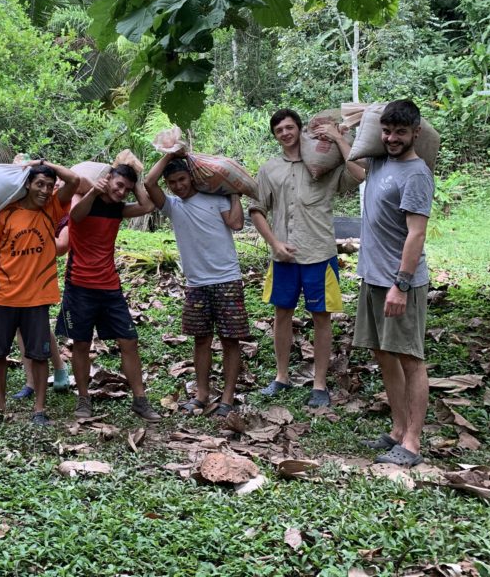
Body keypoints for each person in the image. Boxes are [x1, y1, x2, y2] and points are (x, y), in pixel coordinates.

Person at [249, 109, 365, 407]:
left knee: (321, 318)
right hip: (284, 257)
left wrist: (338, 138)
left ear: (300, 130)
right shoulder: (270, 169)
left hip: (319, 253)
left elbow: (359, 174)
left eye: (290, 127)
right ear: (275, 136)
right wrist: (274, 243)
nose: (285, 133)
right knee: (282, 315)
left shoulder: (324, 163)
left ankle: (319, 384)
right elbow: (257, 210)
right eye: (279, 130)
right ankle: (281, 377)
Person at [353, 99, 434, 467]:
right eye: (386, 131)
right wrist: (340, 136)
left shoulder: (416, 174)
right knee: (383, 354)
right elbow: (354, 165)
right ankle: (398, 429)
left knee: (410, 358)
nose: (391, 138)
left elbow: (416, 234)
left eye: (400, 132)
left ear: (416, 133)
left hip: (400, 283)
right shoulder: (379, 162)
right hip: (373, 278)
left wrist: (401, 285)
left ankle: (412, 444)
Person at [145, 152, 249, 417]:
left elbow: (236, 223)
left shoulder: (217, 198)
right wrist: (170, 155)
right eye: (172, 182)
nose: (178, 186)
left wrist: (234, 194)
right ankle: (202, 394)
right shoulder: (172, 206)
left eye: (182, 179)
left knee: (230, 340)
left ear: (191, 177)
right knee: (201, 339)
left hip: (227, 278)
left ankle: (227, 398)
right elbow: (148, 183)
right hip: (196, 284)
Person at [0, 160, 79, 426]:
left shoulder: (51, 208)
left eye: (49, 185)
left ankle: (39, 410)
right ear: (28, 184)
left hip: (37, 298)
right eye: (39, 184)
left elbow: (74, 181)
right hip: (2, 295)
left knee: (39, 355)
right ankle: (0, 406)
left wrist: (42, 163)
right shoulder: (5, 213)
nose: (44, 190)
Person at [59, 164, 160, 421]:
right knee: (81, 343)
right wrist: (95, 191)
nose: (122, 192)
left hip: (110, 287)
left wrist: (135, 179)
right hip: (79, 286)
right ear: (107, 180)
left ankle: (140, 400)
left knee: (129, 341)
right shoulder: (83, 199)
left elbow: (147, 206)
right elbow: (76, 216)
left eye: (127, 189)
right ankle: (84, 398)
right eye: (119, 185)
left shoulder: (118, 209)